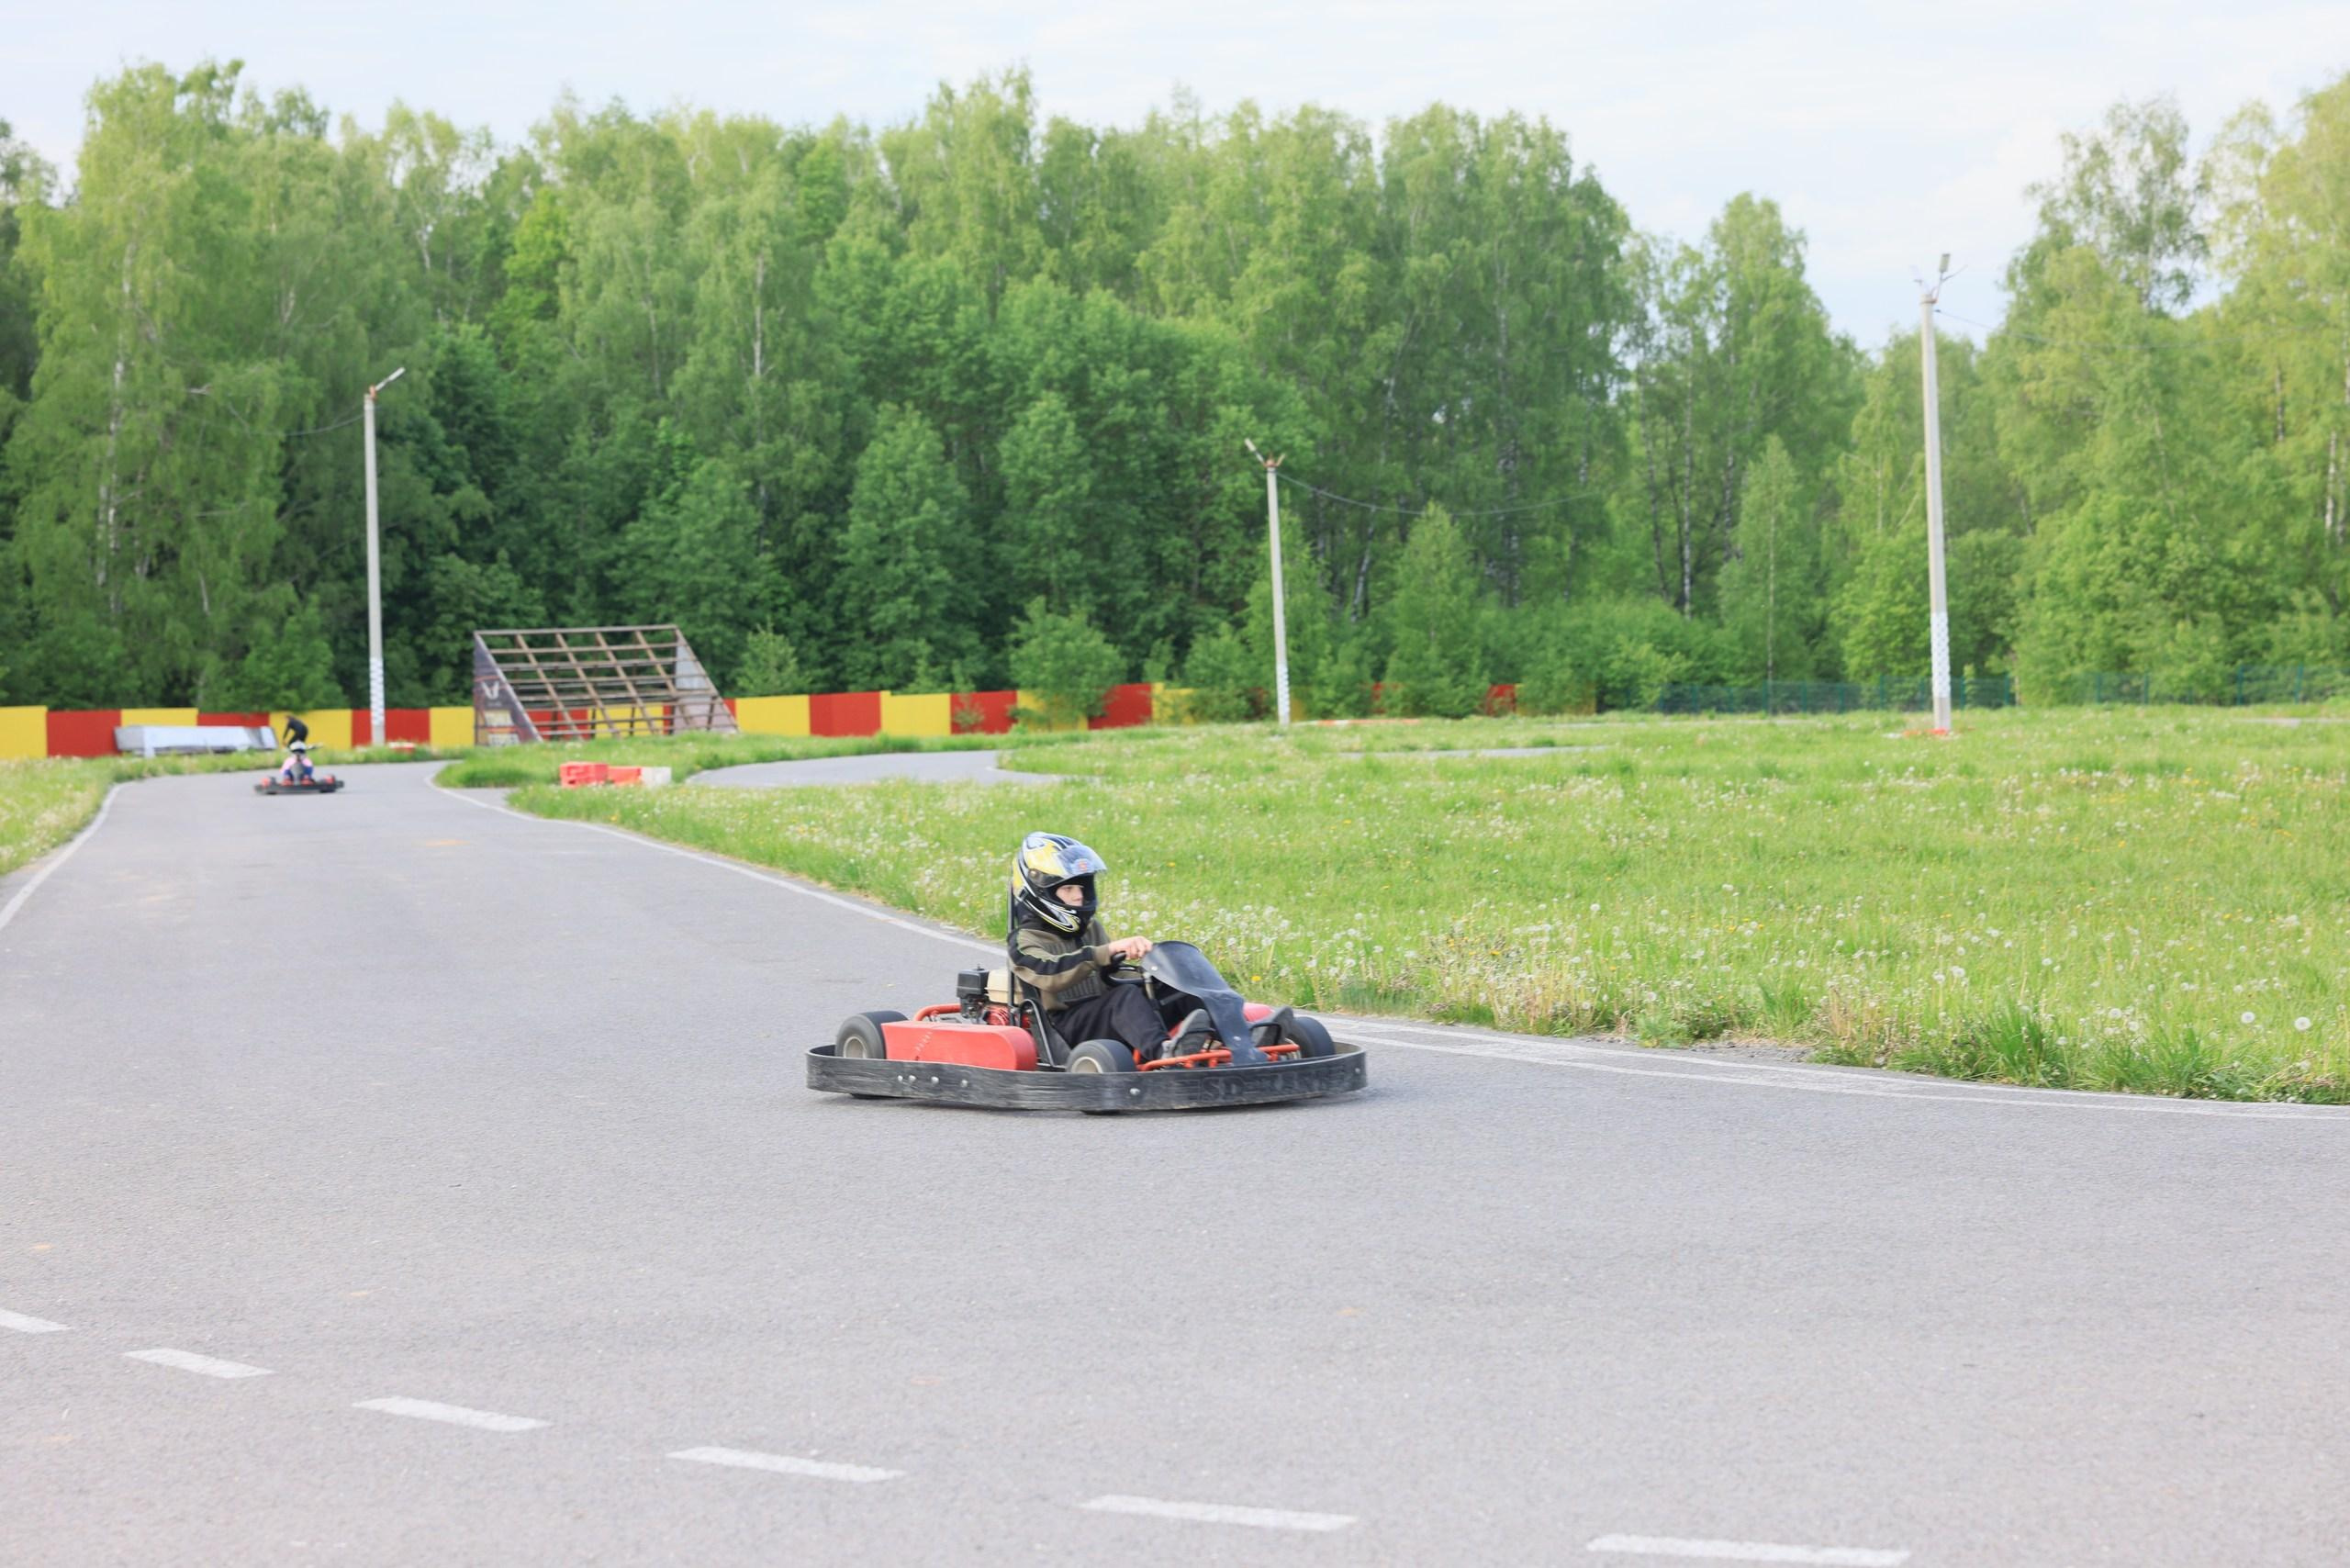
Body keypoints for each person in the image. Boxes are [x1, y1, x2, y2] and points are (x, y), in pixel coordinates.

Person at [1007, 831, 1170, 1062]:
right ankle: (1167, 1055)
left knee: (1171, 990)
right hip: (1064, 1028)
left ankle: (1218, 1043)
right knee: (1124, 998)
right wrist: (1105, 952)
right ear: (1041, 891)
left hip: (1099, 1015)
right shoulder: (1024, 941)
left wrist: (1155, 975)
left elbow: (1111, 974)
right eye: (1068, 889)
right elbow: (1050, 973)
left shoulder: (1090, 929)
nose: (1078, 897)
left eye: (1081, 888)